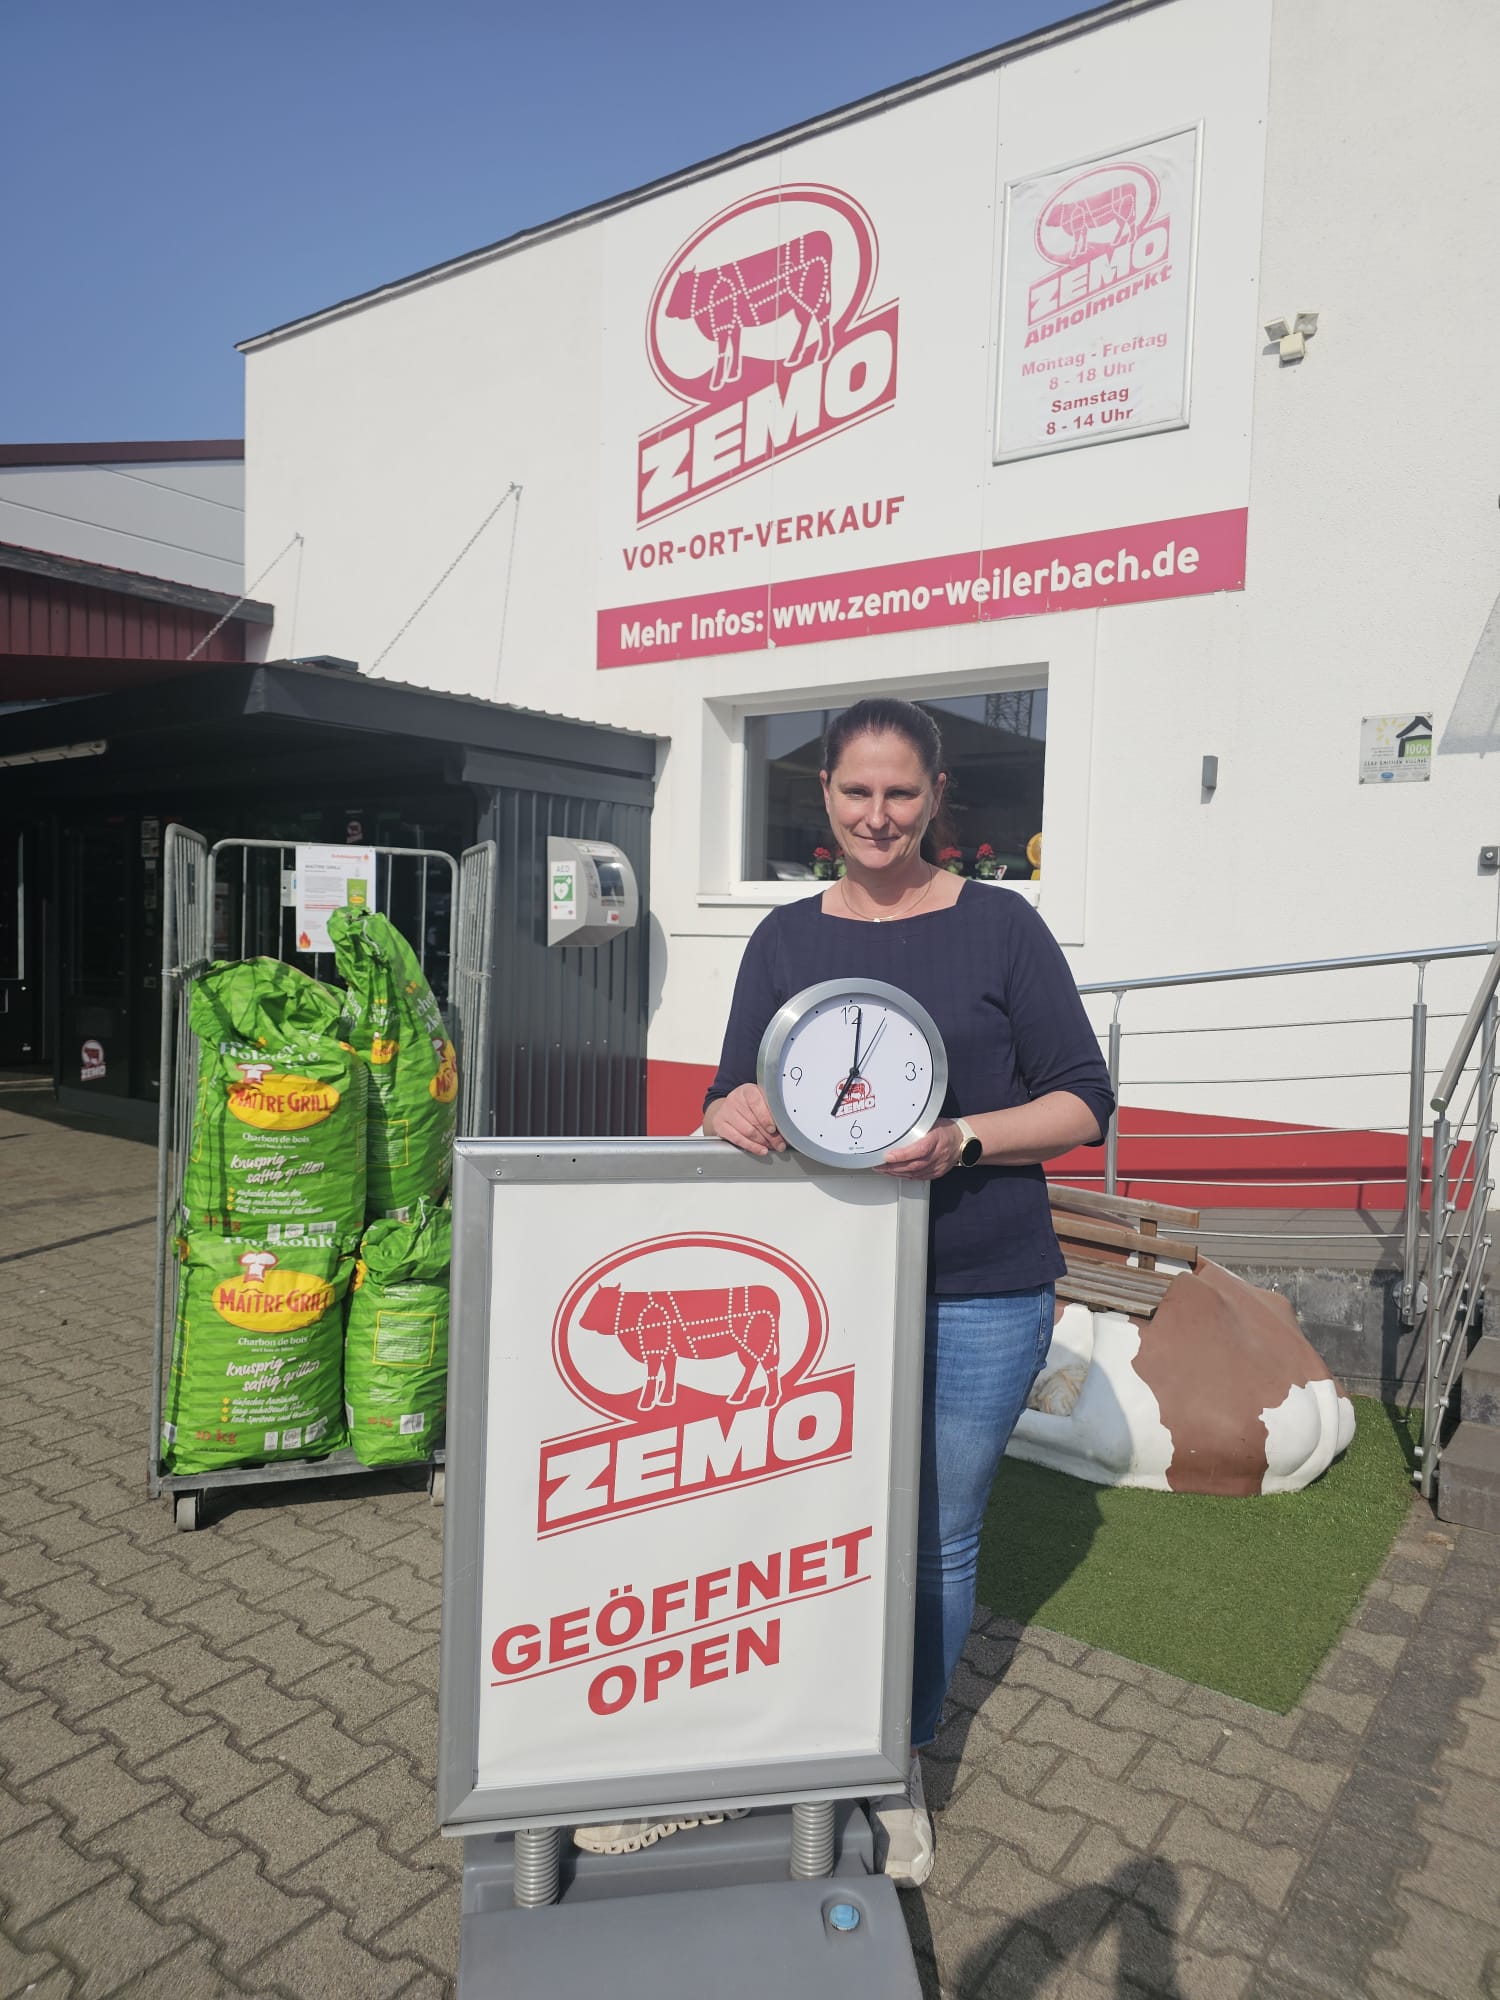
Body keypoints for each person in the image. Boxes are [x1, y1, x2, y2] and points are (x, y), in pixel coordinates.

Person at [574, 696, 1113, 1880]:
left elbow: (1085, 1098)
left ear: (936, 796)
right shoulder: (784, 938)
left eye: (901, 792)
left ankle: (893, 1760)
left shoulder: (1002, 925)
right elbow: (729, 1093)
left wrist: (965, 1136)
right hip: (817, 1292)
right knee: (791, 1519)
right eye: (856, 790)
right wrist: (730, 1109)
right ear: (824, 790)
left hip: (978, 1288)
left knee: (936, 1539)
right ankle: (769, 1737)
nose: (878, 814)